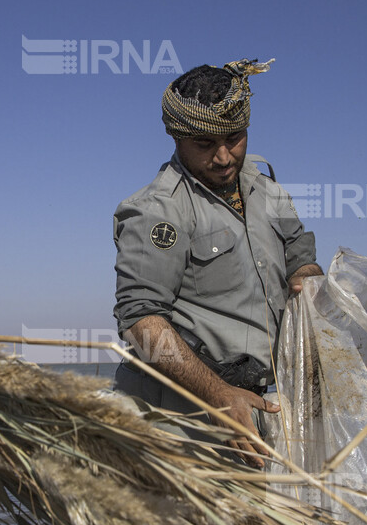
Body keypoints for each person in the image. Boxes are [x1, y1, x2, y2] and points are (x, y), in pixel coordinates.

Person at [112, 59, 321, 469]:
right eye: (205, 145)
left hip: (265, 409)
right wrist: (218, 395)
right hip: (187, 422)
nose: (225, 157)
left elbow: (301, 256)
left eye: (235, 138)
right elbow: (141, 324)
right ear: (176, 138)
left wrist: (306, 282)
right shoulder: (158, 210)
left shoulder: (267, 189)